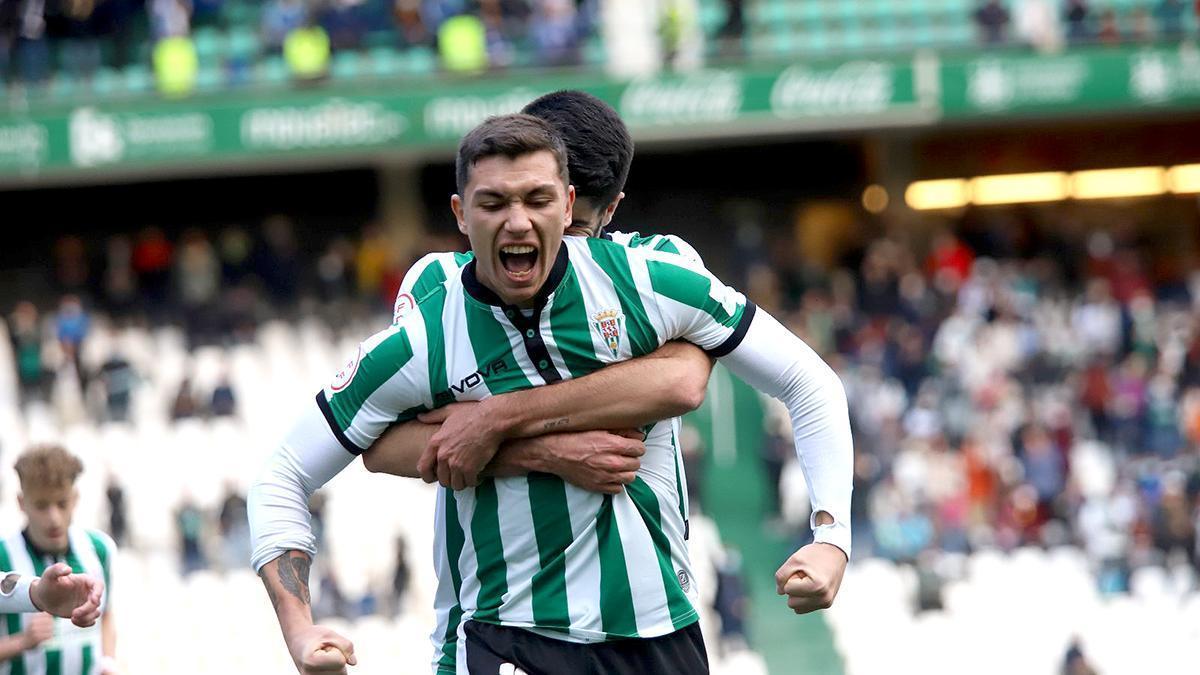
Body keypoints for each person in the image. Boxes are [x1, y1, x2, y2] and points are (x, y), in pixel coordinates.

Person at [250, 114, 852, 674]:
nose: (517, 221)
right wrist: (298, 630)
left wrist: (831, 538)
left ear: (569, 205)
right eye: (494, 201)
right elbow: (323, 462)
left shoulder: (651, 277)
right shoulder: (430, 321)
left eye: (538, 198)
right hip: (502, 634)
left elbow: (778, 380)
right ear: (461, 213)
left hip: (659, 628)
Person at [0, 445, 118, 673]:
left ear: (75, 499)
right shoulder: (3, 557)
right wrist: (22, 642)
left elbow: (107, 615)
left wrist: (108, 662)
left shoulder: (100, 549)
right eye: (42, 506)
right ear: (21, 503)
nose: (53, 518)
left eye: (61, 503)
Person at [0, 565, 104, 627]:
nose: (55, 526)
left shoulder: (100, 545)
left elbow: (107, 612)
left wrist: (37, 594)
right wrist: (21, 642)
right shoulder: (4, 550)